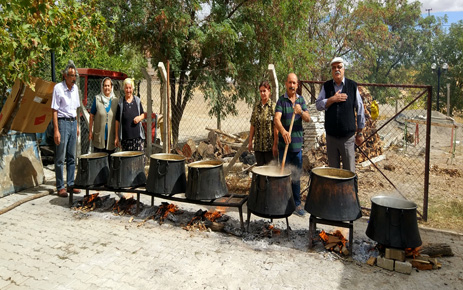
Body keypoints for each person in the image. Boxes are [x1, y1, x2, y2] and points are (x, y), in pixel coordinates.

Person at [315, 57, 365, 172]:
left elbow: (360, 108)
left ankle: (351, 190)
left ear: (344, 69)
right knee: (334, 173)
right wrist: (332, 99)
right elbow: (318, 105)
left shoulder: (352, 86)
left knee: (349, 173)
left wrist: (360, 131)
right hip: (331, 138)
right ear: (332, 71)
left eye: (339, 67)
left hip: (347, 138)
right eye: (334, 68)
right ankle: (335, 191)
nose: (337, 69)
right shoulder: (326, 86)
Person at [274, 73, 311, 216]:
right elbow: (277, 119)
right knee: (283, 174)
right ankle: (282, 202)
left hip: (296, 147)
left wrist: (300, 111)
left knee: (295, 176)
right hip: (284, 147)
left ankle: (296, 203)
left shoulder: (301, 100)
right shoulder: (281, 101)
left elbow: (308, 118)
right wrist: (283, 131)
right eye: (290, 82)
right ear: (286, 84)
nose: (292, 85)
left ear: (297, 85)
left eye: (294, 83)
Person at [51, 60, 81, 197]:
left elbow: (76, 109)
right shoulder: (58, 88)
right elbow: (54, 110)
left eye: (75, 76)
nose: (73, 78)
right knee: (60, 157)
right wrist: (56, 130)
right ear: (65, 76)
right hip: (62, 123)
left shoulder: (75, 89)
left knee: (71, 156)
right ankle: (60, 186)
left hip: (73, 122)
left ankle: (70, 184)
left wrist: (78, 125)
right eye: (71, 75)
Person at [248, 81, 278, 166]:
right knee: (260, 171)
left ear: (269, 91)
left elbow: (276, 128)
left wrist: (275, 145)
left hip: (269, 147)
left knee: (271, 171)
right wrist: (250, 141)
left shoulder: (273, 107)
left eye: (264, 91)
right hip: (258, 147)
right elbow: (253, 125)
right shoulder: (256, 106)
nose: (262, 93)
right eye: (261, 91)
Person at [88, 77, 118, 157]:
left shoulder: (115, 101)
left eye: (108, 86)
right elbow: (91, 116)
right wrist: (90, 131)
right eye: (105, 86)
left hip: (110, 138)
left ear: (111, 87)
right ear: (102, 87)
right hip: (99, 138)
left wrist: (117, 136)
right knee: (98, 160)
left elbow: (117, 120)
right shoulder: (97, 99)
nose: (107, 88)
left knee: (109, 161)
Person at [115, 78, 145, 151]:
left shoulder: (137, 100)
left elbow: (143, 114)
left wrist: (139, 118)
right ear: (124, 89)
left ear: (133, 88)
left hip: (137, 139)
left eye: (130, 88)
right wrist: (116, 137)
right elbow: (117, 121)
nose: (128, 90)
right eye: (126, 88)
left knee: (138, 160)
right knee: (127, 161)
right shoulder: (121, 103)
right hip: (125, 139)